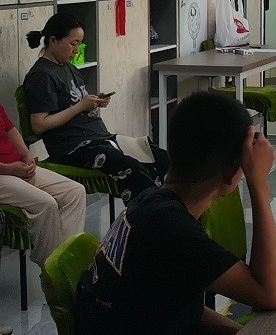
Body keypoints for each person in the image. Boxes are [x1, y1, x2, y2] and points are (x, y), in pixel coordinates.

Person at [76, 92, 276, 335]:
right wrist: (259, 184)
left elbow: (178, 308)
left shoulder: (151, 203)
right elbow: (271, 294)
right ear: (233, 171)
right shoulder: (170, 227)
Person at [23, 13, 169, 204]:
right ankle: (150, 213)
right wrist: (80, 106)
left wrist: (93, 102)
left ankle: (167, 207)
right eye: (73, 44)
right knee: (133, 168)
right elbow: (39, 124)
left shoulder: (68, 67)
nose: (77, 50)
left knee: (159, 156)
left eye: (79, 44)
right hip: (74, 147)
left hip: (99, 138)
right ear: (53, 40)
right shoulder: (42, 76)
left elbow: (73, 103)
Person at [0, 100, 85, 267]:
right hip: (4, 173)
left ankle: (66, 261)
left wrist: (26, 154)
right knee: (46, 204)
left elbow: (10, 129)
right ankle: (49, 269)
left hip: (18, 166)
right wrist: (9, 169)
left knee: (75, 192)